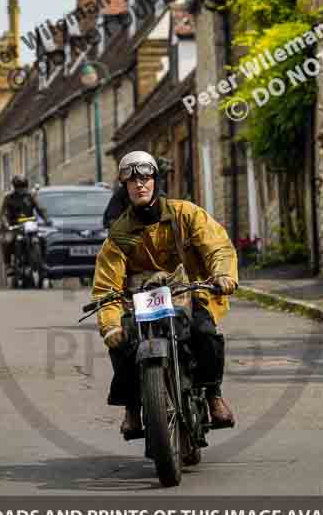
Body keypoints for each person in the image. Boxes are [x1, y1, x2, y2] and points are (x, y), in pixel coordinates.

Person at [91, 150, 238, 436]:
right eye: (132, 180)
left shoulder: (186, 213)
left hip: (189, 292)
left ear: (155, 180)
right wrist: (109, 324)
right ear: (125, 187)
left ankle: (212, 395)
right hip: (141, 300)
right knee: (122, 342)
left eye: (145, 177)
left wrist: (223, 274)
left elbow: (217, 246)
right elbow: (106, 284)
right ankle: (132, 407)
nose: (139, 184)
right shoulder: (120, 233)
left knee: (205, 333)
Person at [0, 175, 49, 274]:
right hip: (15, 225)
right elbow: (3, 214)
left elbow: (39, 208)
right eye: (19, 188)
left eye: (23, 187)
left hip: (30, 224)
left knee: (43, 238)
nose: (22, 190)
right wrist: (6, 224)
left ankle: (42, 262)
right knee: (7, 241)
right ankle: (8, 265)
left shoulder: (30, 196)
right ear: (15, 188)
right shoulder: (8, 198)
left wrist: (46, 219)